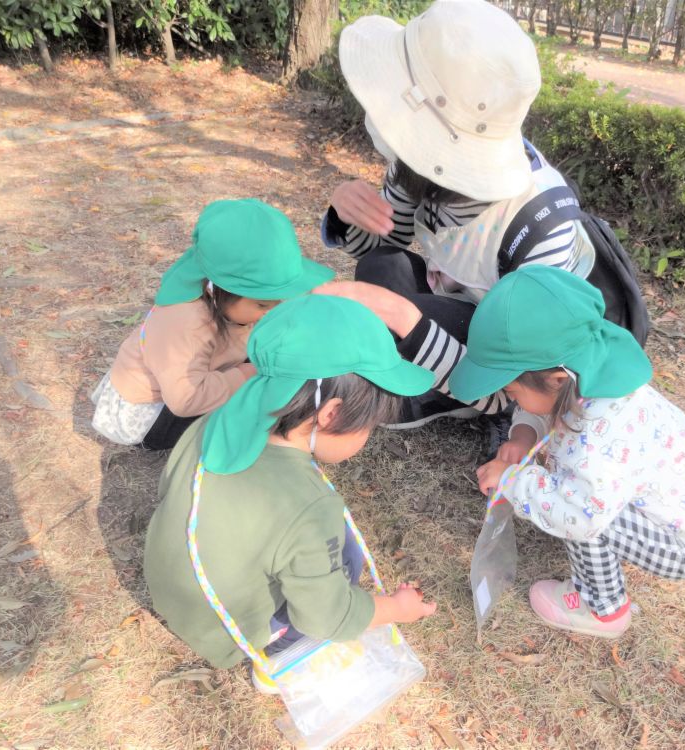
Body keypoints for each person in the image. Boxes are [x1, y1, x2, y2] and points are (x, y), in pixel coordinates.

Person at [316, 0, 597, 429]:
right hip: (447, 299)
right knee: (379, 267)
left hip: (501, 349)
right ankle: (414, 367)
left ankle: (451, 396)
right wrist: (347, 213)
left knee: (390, 342)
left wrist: (402, 319)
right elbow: (388, 243)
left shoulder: (541, 226)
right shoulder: (417, 161)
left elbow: (531, 368)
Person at [143, 294, 438, 693]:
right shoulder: (310, 507)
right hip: (224, 629)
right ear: (331, 414)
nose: (368, 436)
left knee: (334, 549)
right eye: (370, 425)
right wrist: (396, 609)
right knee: (341, 564)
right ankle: (277, 663)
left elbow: (169, 491)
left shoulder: (218, 421)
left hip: (173, 591)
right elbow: (327, 617)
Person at [449, 266, 685, 638]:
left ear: (556, 379)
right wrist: (521, 436)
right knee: (576, 494)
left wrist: (514, 480)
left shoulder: (597, 439)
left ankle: (601, 608)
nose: (509, 399)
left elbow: (581, 515)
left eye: (512, 392)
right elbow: (544, 407)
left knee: (576, 508)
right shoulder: (589, 374)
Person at [91, 198, 332, 450]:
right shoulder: (185, 323)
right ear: (222, 291)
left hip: (196, 378)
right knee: (252, 401)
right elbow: (185, 399)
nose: (271, 311)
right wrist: (246, 374)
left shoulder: (228, 302)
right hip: (154, 414)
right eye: (262, 305)